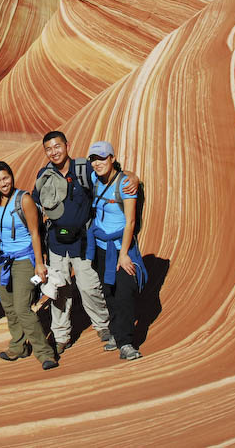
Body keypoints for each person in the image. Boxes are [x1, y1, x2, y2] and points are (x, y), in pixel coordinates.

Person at [32, 130, 115, 355]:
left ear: (67, 146)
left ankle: (103, 325)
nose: (54, 152)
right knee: (59, 290)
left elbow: (111, 177)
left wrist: (132, 179)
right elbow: (35, 205)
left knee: (89, 286)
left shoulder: (84, 168)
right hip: (56, 242)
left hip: (82, 241)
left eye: (57, 146)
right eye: (48, 149)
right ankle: (61, 336)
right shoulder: (44, 175)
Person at [0, 161, 57, 370]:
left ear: (12, 176)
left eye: (6, 178)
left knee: (22, 308)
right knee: (8, 306)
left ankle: (45, 353)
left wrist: (39, 263)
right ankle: (18, 346)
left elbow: (35, 232)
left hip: (23, 260)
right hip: (2, 260)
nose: (3, 183)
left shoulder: (24, 199)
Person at [86, 140, 147, 361]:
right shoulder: (95, 179)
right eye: (94, 159)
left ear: (112, 158)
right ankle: (115, 332)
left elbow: (130, 222)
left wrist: (124, 255)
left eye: (102, 158)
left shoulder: (125, 185)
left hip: (121, 248)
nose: (97, 163)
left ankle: (126, 342)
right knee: (109, 292)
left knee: (124, 295)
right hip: (101, 247)